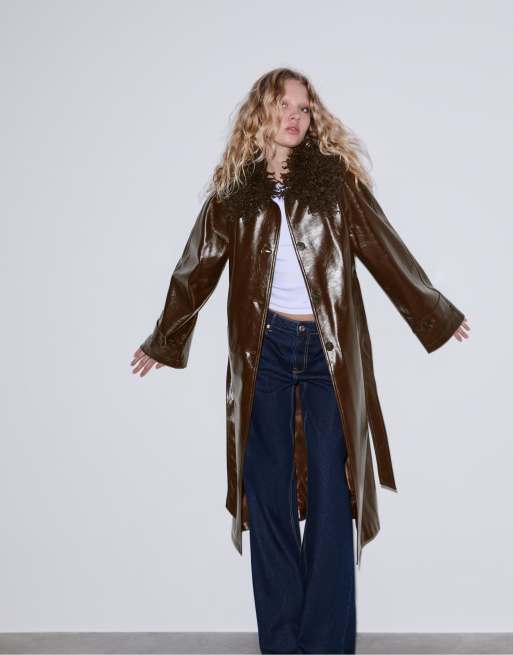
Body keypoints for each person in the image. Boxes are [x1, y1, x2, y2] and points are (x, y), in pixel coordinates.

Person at [130, 68, 470, 654]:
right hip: (263, 352)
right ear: (260, 114)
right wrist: (164, 338)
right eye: (284, 105)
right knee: (269, 496)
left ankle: (326, 643)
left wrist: (434, 311)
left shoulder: (335, 185)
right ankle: (282, 642)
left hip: (326, 352)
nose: (295, 116)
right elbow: (196, 269)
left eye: (304, 108)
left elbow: (385, 251)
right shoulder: (233, 195)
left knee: (336, 494)